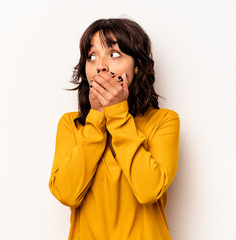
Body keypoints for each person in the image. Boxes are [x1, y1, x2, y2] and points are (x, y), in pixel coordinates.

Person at [48, 17, 180, 240]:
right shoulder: (71, 125)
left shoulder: (164, 121)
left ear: (137, 67)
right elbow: (66, 194)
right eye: (91, 56)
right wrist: (97, 116)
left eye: (114, 54)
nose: (100, 65)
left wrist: (117, 114)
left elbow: (149, 190)